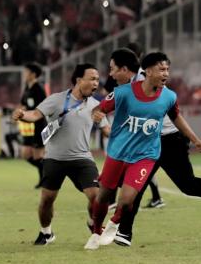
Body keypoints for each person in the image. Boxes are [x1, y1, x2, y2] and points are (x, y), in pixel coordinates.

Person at [85, 52, 201, 250]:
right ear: (148, 71)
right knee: (103, 197)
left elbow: (177, 118)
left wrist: (195, 140)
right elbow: (98, 109)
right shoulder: (123, 92)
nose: (166, 73)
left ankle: (114, 224)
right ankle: (96, 231)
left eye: (168, 69)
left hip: (145, 155)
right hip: (118, 153)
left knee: (126, 200)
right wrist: (98, 116)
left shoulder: (169, 96)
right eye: (161, 69)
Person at [11, 63, 110, 245]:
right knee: (47, 199)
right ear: (79, 80)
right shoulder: (56, 99)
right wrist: (22, 114)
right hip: (55, 158)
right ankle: (46, 233)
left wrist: (119, 127)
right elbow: (35, 115)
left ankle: (92, 222)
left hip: (82, 159)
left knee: (96, 197)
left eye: (97, 79)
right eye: (92, 79)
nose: (96, 83)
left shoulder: (97, 105)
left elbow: (108, 131)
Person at [107, 48, 164, 208]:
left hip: (156, 133)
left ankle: (116, 203)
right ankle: (152, 198)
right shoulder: (129, 81)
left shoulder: (143, 78)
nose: (111, 74)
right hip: (146, 131)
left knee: (187, 183)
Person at [18, 62, 47, 188]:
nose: (24, 74)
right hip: (28, 126)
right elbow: (23, 104)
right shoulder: (27, 87)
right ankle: (46, 175)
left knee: (37, 156)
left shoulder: (39, 89)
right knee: (25, 154)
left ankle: (45, 179)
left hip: (39, 125)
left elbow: (43, 109)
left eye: (26, 72)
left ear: (33, 74)